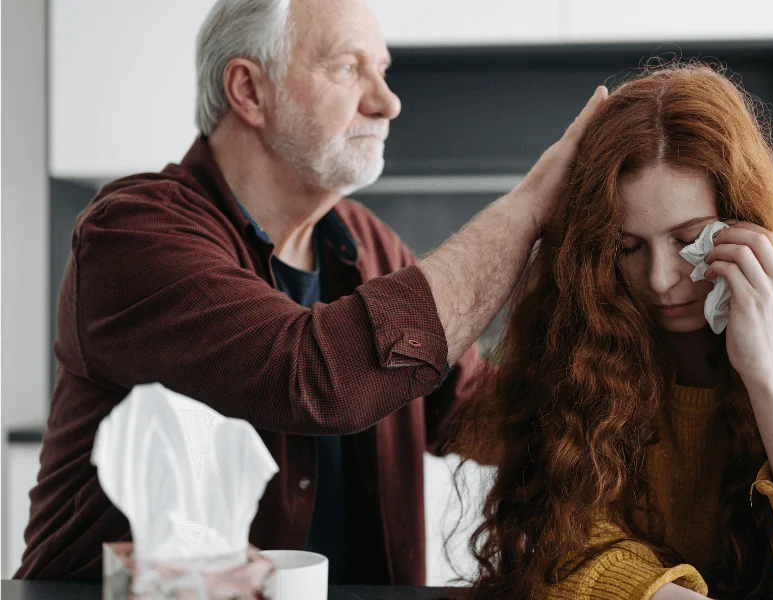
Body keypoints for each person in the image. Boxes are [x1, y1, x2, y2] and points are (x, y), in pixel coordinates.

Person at [14, 0, 608, 584]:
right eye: (348, 68)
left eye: (383, 70)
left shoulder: (369, 246)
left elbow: (472, 412)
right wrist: (527, 209)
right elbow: (310, 375)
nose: (388, 101)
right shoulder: (133, 232)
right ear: (249, 90)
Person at [451, 63, 773, 600]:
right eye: (626, 248)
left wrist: (768, 373)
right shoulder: (582, 332)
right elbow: (561, 546)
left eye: (691, 242)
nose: (661, 280)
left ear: (748, 223)